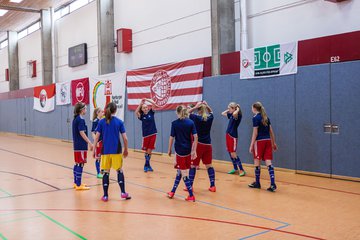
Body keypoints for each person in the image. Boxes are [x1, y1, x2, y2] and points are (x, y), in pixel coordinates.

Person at [93, 102, 131, 201]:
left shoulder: (101, 122)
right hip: (116, 150)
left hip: (105, 151)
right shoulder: (119, 122)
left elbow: (96, 137)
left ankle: (105, 195)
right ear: (115, 110)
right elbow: (125, 138)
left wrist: (94, 150)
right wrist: (126, 149)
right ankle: (123, 193)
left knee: (106, 172)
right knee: (119, 170)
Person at [167, 105, 198, 202]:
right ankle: (172, 191)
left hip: (179, 151)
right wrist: (194, 150)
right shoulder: (191, 122)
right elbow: (196, 137)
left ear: (177, 112)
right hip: (188, 150)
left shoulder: (175, 123)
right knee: (180, 171)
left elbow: (171, 137)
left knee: (184, 173)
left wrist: (169, 149)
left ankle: (191, 195)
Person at [248, 102, 278, 192]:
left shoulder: (255, 118)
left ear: (254, 108)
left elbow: (255, 133)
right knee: (268, 162)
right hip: (268, 141)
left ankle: (257, 183)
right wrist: (274, 143)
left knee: (257, 162)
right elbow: (271, 132)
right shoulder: (266, 118)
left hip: (259, 142)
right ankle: (273, 184)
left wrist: (251, 144)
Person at [187, 101, 216, 192]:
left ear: (198, 110)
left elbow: (187, 112)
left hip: (198, 144)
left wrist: (195, 106)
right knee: (209, 165)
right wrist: (207, 105)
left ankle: (190, 186)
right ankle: (213, 185)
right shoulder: (210, 118)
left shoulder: (196, 118)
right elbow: (211, 112)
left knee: (193, 165)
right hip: (208, 145)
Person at [72, 102, 93, 190]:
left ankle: (76, 183)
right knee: (80, 164)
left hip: (77, 145)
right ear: (81, 110)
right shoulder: (80, 120)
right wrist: (90, 142)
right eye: (85, 108)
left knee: (77, 163)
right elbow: (82, 132)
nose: (86, 110)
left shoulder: (76, 119)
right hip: (81, 146)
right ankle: (79, 184)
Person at [221, 102, 246, 176]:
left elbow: (235, 114)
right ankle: (235, 168)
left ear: (234, 109)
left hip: (233, 136)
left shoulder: (237, 115)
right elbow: (222, 113)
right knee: (229, 152)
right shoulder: (231, 115)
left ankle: (241, 169)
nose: (228, 110)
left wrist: (237, 109)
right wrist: (229, 109)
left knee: (233, 154)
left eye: (229, 108)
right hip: (228, 135)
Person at [135, 98, 157, 172]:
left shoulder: (151, 113)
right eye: (144, 108)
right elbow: (136, 112)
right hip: (146, 135)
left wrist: (147, 100)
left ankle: (147, 165)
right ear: (142, 109)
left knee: (150, 150)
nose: (145, 109)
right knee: (146, 150)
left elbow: (154, 104)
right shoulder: (141, 116)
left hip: (153, 133)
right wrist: (141, 103)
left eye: (146, 107)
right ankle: (147, 165)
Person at [91, 107, 104, 179]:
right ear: (97, 113)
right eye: (101, 112)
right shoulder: (95, 121)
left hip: (103, 141)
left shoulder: (102, 121)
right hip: (98, 141)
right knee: (98, 157)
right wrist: (95, 142)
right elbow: (93, 132)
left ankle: (102, 170)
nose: (103, 113)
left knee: (103, 157)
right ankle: (98, 173)